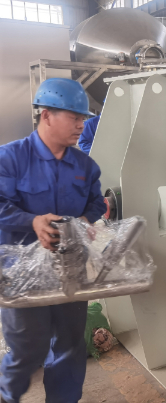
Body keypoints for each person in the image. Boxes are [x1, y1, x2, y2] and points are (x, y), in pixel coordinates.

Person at [0, 78, 106, 402]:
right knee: (28, 347)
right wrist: (32, 221)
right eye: (74, 117)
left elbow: (96, 202)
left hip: (70, 269)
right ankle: (7, 394)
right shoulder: (10, 158)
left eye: (83, 118)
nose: (81, 125)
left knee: (70, 346)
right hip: (21, 271)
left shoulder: (85, 166)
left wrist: (85, 222)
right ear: (46, 115)